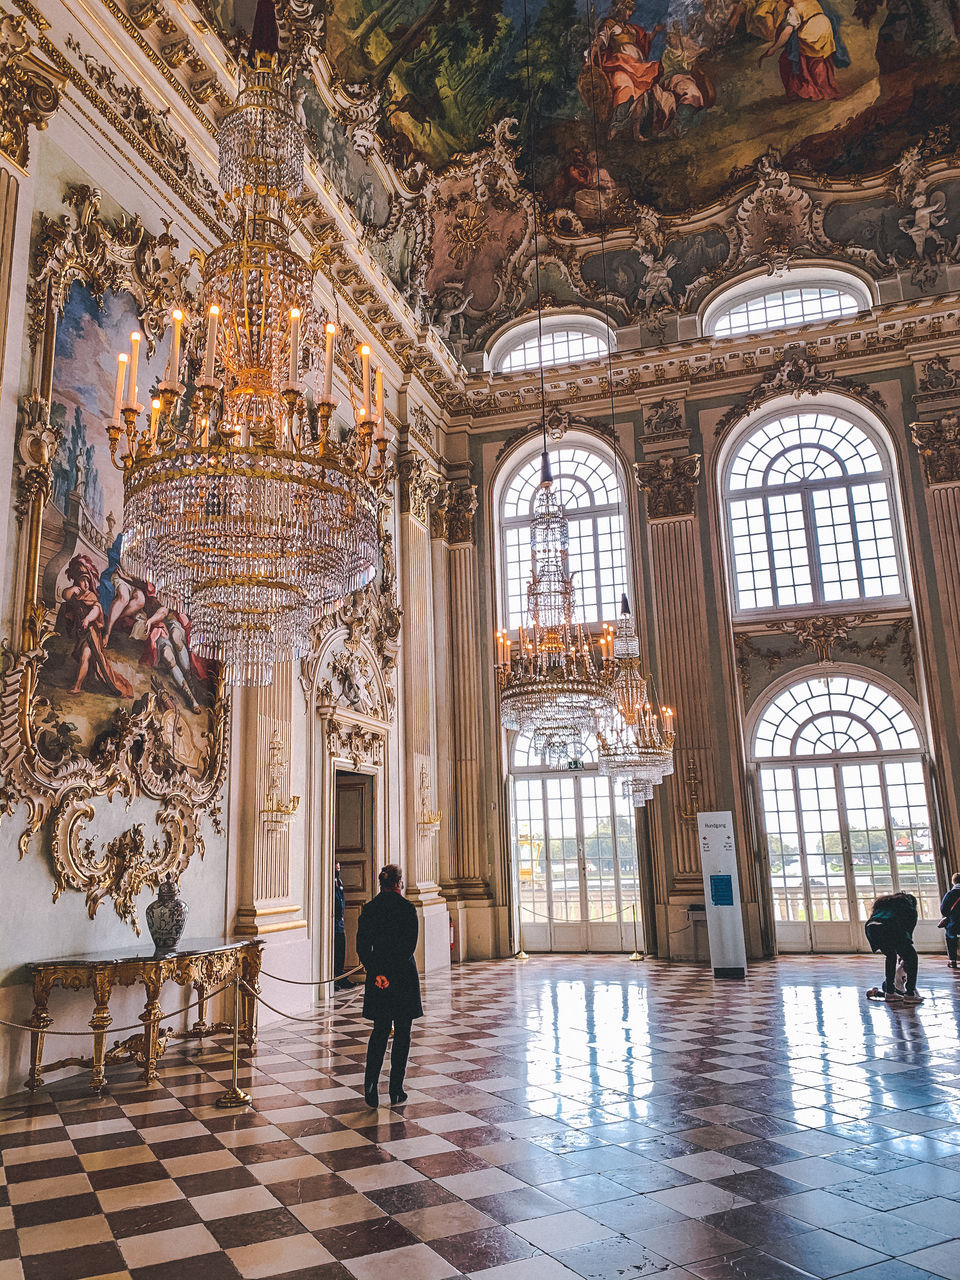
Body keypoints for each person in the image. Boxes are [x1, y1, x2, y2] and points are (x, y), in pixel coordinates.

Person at [356, 863, 423, 1107]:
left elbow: (362, 947)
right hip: (403, 978)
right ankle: (396, 1088)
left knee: (380, 1031)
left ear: (381, 883)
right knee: (403, 1033)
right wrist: (392, 974)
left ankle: (371, 1084)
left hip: (379, 980)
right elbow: (408, 947)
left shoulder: (370, 909)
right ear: (399, 883)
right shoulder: (407, 909)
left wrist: (378, 973)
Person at [865, 890, 923, 1004]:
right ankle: (910, 994)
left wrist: (902, 950)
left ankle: (890, 993)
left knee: (890, 956)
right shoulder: (908, 907)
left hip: (871, 928)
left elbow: (875, 917)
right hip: (890, 927)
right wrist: (905, 952)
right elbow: (908, 930)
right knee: (912, 957)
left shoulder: (884, 903)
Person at [333, 862, 353, 990]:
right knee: (335, 952)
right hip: (333, 923)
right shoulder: (331, 882)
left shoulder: (338, 882)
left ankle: (340, 976)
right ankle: (334, 978)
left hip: (339, 922)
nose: (338, 870)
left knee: (341, 951)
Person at [940, 872, 960, 969]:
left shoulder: (951, 893)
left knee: (950, 936)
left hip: (955, 922)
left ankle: (952, 960)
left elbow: (943, 908)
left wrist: (948, 916)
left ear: (954, 882)